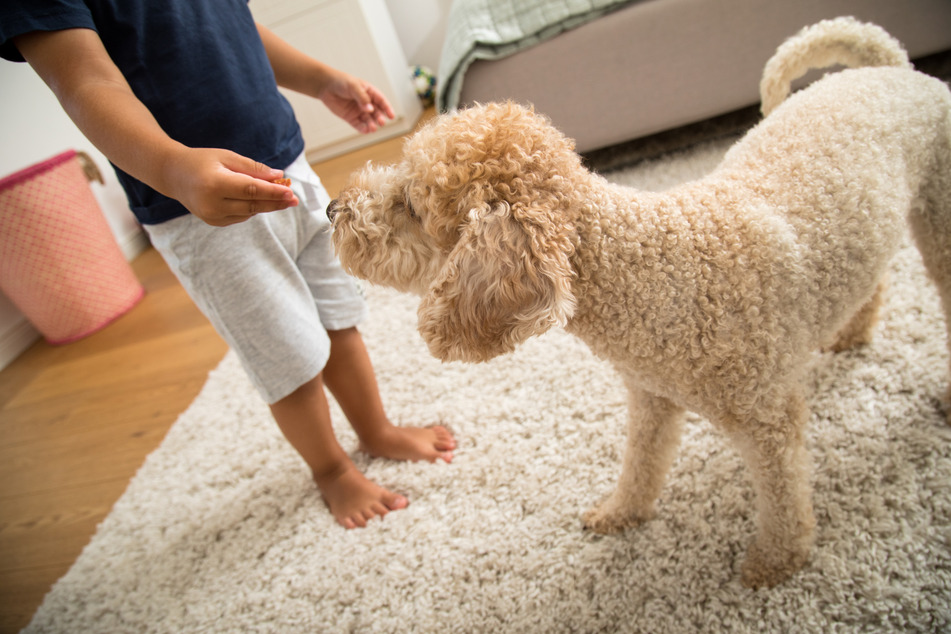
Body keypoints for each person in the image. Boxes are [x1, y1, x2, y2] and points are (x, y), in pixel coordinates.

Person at [0, 1, 455, 529]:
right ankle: (331, 470)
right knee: (285, 349)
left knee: (338, 315)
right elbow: (84, 82)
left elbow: (236, 27)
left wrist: (320, 78)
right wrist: (172, 166)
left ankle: (376, 430)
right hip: (194, 203)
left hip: (287, 160)